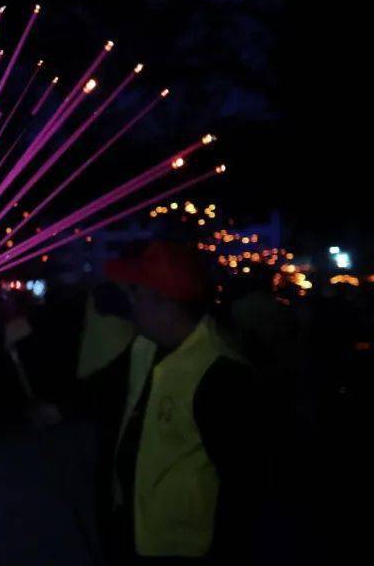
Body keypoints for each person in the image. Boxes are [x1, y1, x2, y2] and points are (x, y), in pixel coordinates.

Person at [103, 241, 262, 563]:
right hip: (139, 535)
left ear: (164, 303)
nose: (131, 304)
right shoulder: (146, 348)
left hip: (187, 550)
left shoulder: (221, 375)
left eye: (137, 294)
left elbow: (244, 490)